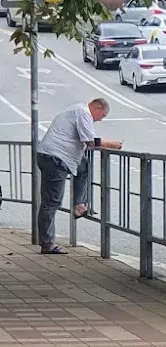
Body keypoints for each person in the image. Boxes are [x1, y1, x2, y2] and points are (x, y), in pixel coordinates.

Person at [37, 98, 121, 254]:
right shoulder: (83, 113)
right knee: (51, 202)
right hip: (55, 158)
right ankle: (47, 243)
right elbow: (90, 141)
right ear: (97, 108)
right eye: (101, 116)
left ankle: (79, 204)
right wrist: (112, 144)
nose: (100, 120)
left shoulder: (78, 110)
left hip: (53, 156)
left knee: (83, 166)